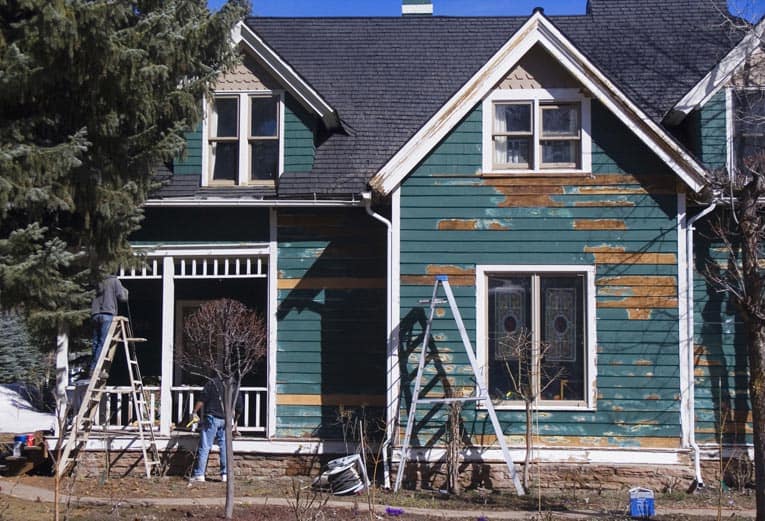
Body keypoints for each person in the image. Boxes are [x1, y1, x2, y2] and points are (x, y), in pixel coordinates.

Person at [189, 377, 243, 483]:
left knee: (205, 445)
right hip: (226, 420)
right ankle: (225, 474)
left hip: (212, 417)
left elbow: (202, 399)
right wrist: (234, 422)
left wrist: (194, 412)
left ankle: (199, 474)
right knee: (224, 447)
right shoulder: (234, 385)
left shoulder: (212, 383)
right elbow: (239, 407)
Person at [89, 275, 129, 376]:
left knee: (96, 343)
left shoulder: (95, 280)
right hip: (107, 313)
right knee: (103, 343)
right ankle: (97, 369)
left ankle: (93, 368)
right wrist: (125, 291)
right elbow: (123, 298)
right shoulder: (114, 280)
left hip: (95, 314)